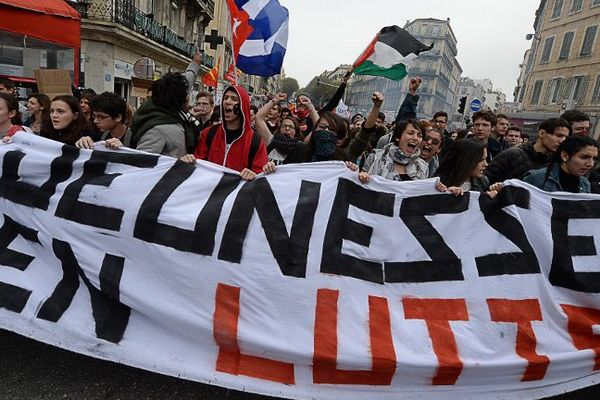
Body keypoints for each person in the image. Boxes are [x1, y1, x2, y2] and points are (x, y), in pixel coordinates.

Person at [130, 53, 201, 158]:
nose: (188, 97)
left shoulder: (167, 104)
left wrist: (194, 65)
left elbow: (186, 81)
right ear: (179, 100)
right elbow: (142, 164)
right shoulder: (157, 130)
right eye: (186, 94)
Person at [193, 84, 268, 179]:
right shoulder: (208, 134)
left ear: (242, 106)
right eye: (225, 98)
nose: (227, 102)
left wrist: (253, 175)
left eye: (234, 99)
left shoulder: (255, 141)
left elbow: (261, 176)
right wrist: (190, 161)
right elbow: (197, 164)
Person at [485, 118, 571, 184]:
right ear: (541, 133)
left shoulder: (557, 163)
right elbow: (485, 180)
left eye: (566, 137)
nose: (563, 140)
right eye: (559, 136)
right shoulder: (512, 154)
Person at [523, 135, 599, 193]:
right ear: (565, 156)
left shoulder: (585, 184)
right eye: (584, 157)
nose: (590, 164)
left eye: (594, 158)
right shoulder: (536, 178)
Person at [361, 119, 428, 181]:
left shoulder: (422, 167)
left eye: (420, 135)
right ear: (398, 137)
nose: (415, 138)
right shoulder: (375, 158)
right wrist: (361, 176)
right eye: (410, 133)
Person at [434, 139, 503, 197]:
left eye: (485, 159)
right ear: (466, 160)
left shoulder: (483, 182)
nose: (486, 164)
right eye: (481, 160)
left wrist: (493, 192)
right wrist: (446, 194)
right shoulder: (438, 182)